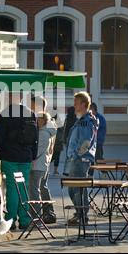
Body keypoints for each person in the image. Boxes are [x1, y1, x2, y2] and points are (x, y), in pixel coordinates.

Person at [0, 92, 38, 230]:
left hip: (9, 157)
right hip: (25, 157)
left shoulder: (5, 114)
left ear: (10, 98)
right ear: (21, 98)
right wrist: (33, 156)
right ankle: (24, 219)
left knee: (12, 188)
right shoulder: (31, 113)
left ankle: (11, 220)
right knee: (23, 187)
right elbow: (36, 137)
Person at [65, 91, 98, 225]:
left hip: (80, 159)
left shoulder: (85, 121)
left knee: (77, 189)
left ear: (84, 105)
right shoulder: (84, 120)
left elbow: (85, 141)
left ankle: (82, 216)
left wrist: (75, 155)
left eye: (76, 103)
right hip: (79, 158)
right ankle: (80, 215)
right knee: (75, 189)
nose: (74, 106)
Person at [29, 112, 57, 224]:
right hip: (41, 165)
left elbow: (39, 150)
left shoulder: (44, 133)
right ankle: (40, 215)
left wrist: (31, 157)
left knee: (35, 191)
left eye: (39, 121)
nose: (38, 123)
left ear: (44, 121)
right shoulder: (44, 132)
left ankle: (37, 217)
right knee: (38, 189)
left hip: (38, 166)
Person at [62, 106, 77, 176]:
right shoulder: (76, 120)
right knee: (73, 153)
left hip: (67, 137)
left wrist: (64, 137)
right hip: (73, 138)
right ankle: (71, 169)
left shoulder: (67, 119)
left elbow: (65, 129)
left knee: (67, 154)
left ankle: (66, 170)